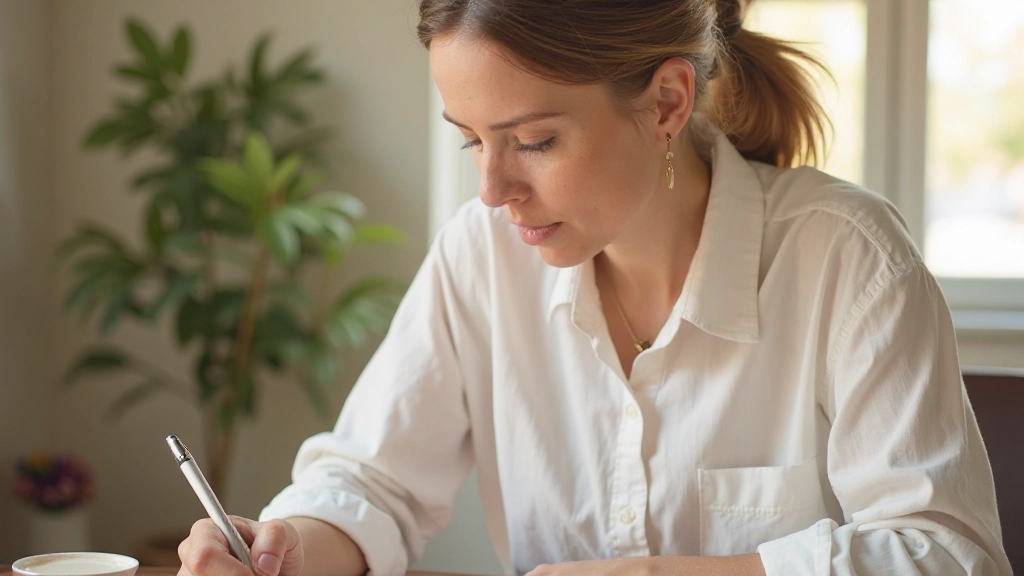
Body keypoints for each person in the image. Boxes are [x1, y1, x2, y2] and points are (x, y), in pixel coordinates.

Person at [177, 0, 1012, 575]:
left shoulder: (846, 257)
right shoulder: (482, 254)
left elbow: (946, 554)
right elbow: (373, 483)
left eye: (534, 141)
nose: (492, 190)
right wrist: (288, 545)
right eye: (472, 141)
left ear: (668, 102)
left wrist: (662, 574)